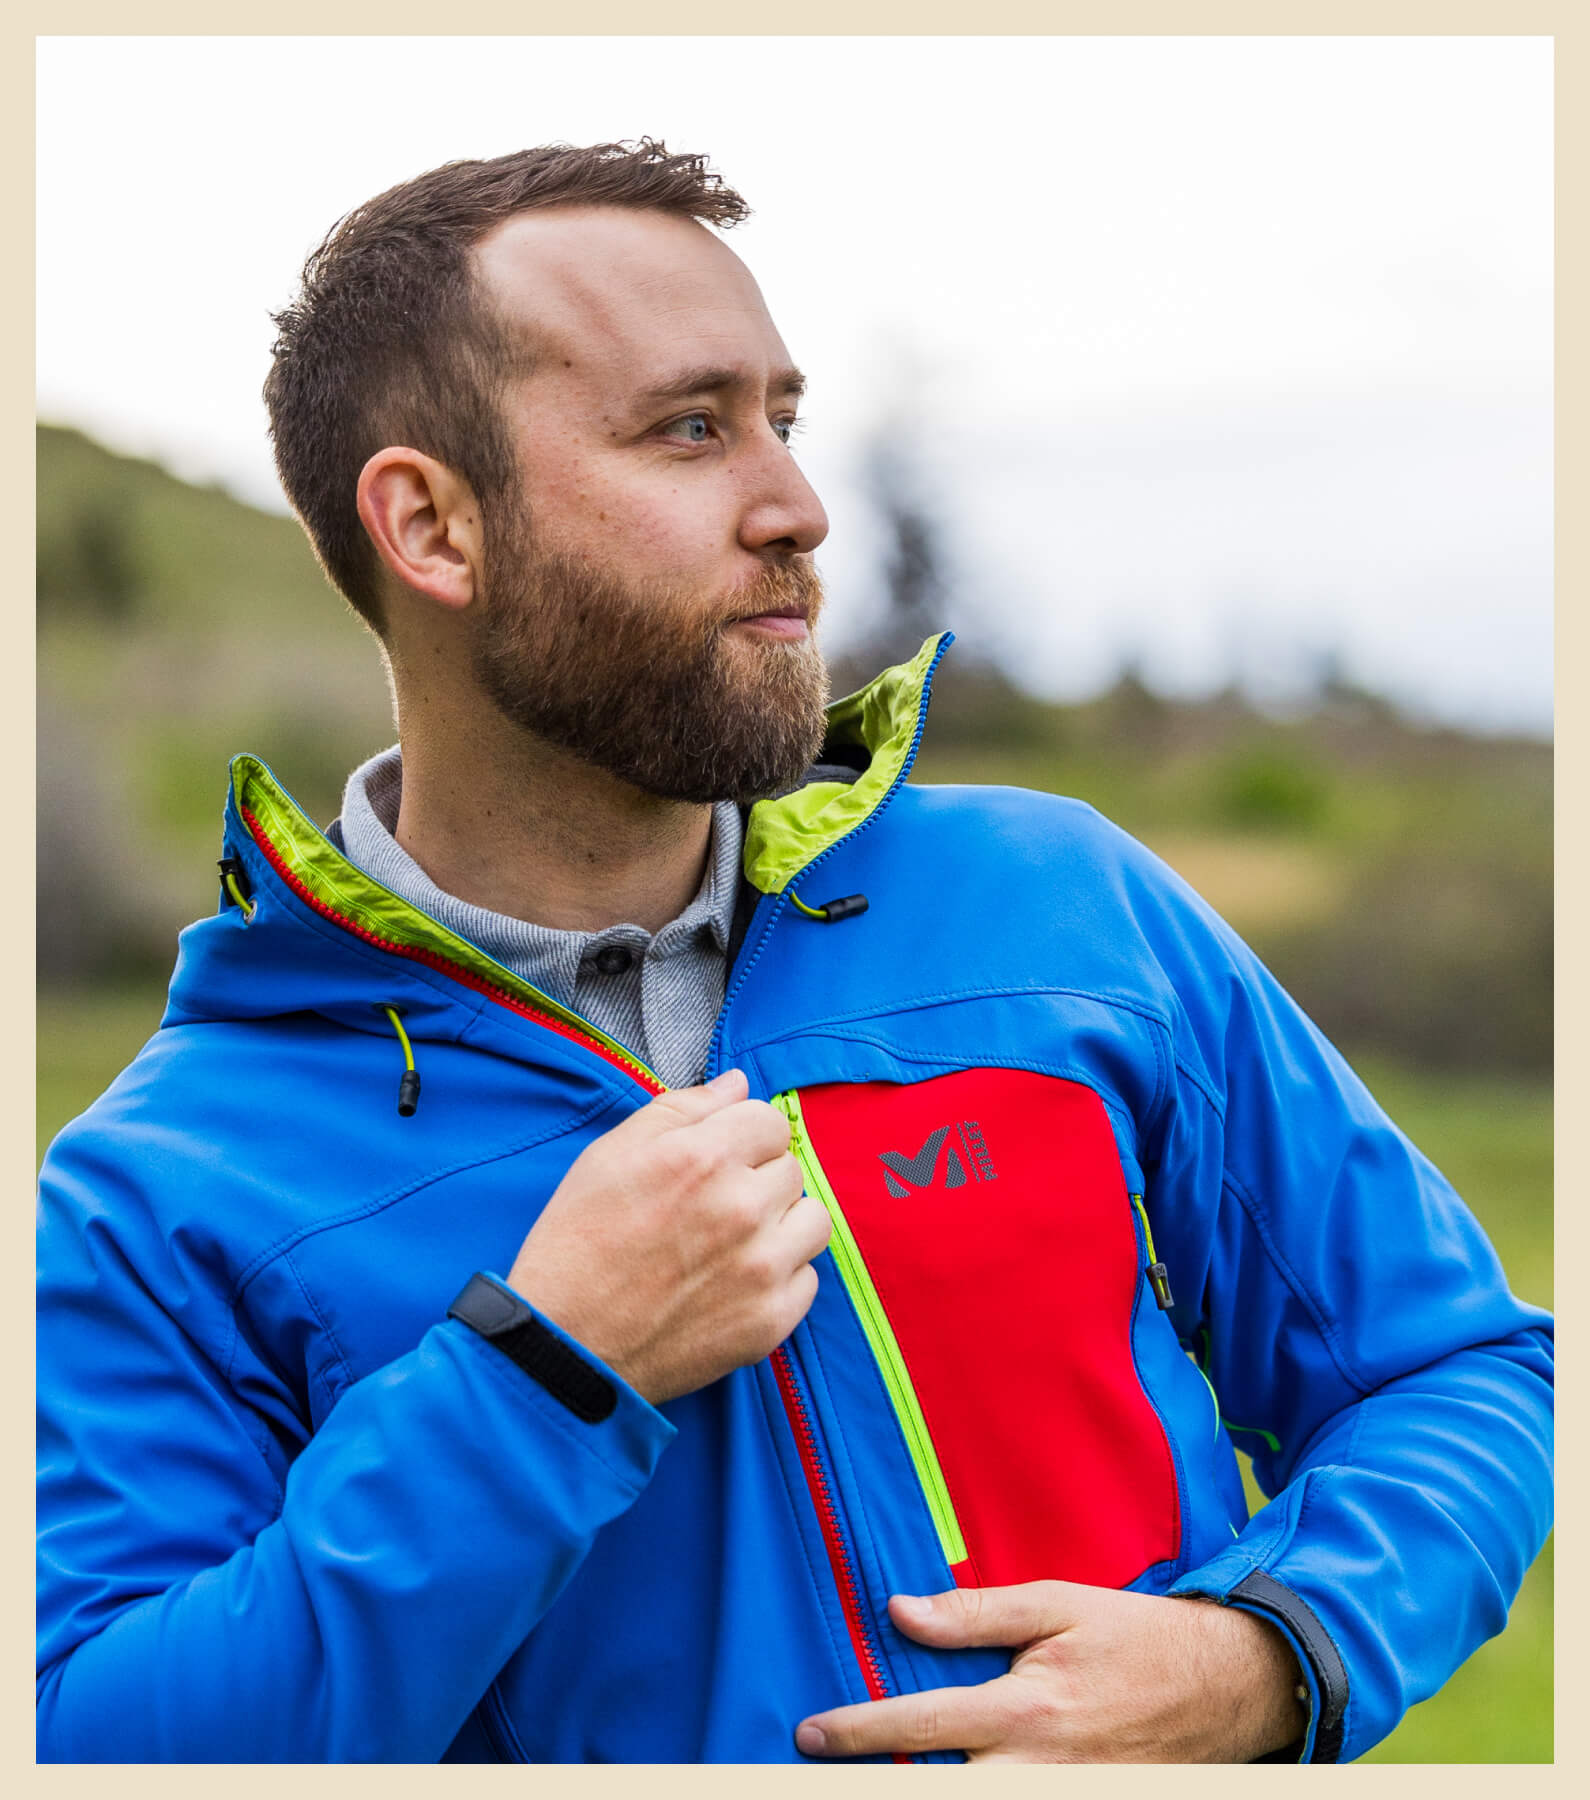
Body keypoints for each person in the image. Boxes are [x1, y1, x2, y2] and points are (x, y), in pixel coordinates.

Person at [35, 141, 1553, 1765]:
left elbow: (1460, 1373)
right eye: (690, 428)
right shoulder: (160, 1190)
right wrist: (542, 1372)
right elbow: (98, 1742)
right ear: (433, 527)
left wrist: (1263, 1659)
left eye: (783, 418)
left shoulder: (1060, 903)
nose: (797, 509)